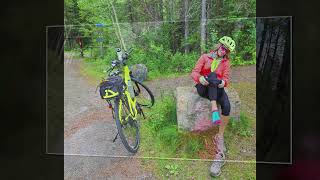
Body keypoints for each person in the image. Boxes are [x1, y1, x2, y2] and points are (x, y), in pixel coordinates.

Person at [190, 36, 235, 177]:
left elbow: (226, 79)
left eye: (226, 51)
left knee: (227, 106)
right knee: (212, 75)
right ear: (218, 46)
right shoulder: (205, 57)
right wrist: (200, 78)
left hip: (216, 87)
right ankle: (214, 107)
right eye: (222, 48)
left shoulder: (227, 63)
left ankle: (219, 135)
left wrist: (224, 83)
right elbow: (194, 72)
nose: (223, 52)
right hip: (203, 87)